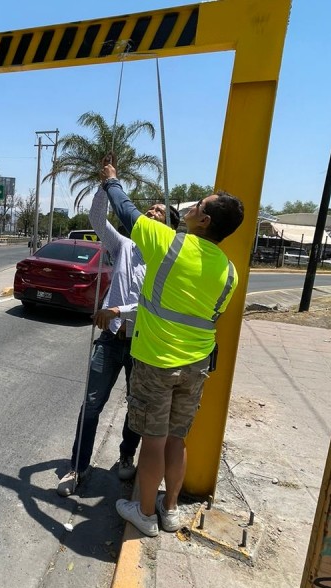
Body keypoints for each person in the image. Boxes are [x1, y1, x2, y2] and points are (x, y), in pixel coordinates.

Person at [101, 162, 244, 536]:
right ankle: (171, 509)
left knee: (153, 441)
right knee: (177, 440)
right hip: (196, 367)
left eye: (198, 206)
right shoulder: (230, 272)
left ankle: (145, 514)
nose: (192, 208)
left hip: (156, 362)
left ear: (205, 221)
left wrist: (112, 180)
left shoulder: (167, 242)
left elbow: (126, 210)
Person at [57, 185, 180, 497]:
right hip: (111, 339)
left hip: (142, 345)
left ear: (168, 229)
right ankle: (77, 467)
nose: (151, 213)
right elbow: (97, 218)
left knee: (135, 406)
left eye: (159, 213)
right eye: (150, 210)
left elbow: (153, 307)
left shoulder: (167, 261)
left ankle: (126, 453)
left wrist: (117, 309)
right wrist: (104, 186)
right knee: (92, 404)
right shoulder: (124, 245)